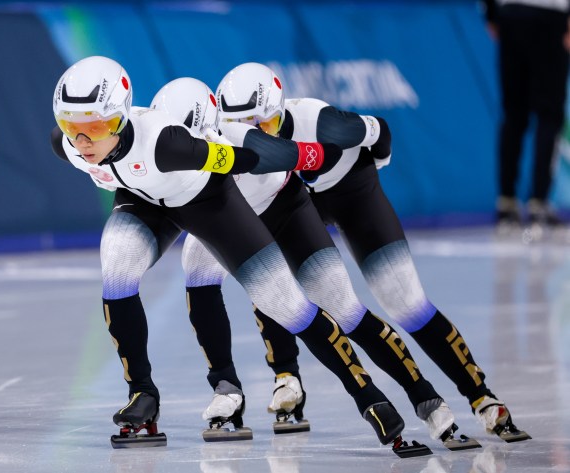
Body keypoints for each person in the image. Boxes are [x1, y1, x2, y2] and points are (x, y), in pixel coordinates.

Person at [50, 55, 429, 456]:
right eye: (71, 128)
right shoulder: (67, 146)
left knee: (289, 306)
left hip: (206, 201)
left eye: (96, 127)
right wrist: (82, 133)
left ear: (122, 117)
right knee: (117, 264)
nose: (83, 141)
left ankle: (368, 396)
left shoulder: (170, 144)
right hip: (143, 201)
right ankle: (142, 393)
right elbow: (84, 143)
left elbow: (245, 157)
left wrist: (310, 156)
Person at [208, 62, 529, 443]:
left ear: (282, 110)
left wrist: (376, 159)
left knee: (406, 303)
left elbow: (379, 130)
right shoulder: (233, 141)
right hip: (295, 201)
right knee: (272, 277)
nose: (259, 137)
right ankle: (286, 376)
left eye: (268, 126)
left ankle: (481, 396)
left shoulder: (319, 120)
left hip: (351, 196)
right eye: (246, 126)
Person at [151, 77, 477, 451]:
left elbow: (319, 156)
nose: (183, 158)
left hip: (286, 212)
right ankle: (229, 386)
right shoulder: (149, 147)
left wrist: (339, 152)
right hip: (230, 218)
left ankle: (423, 395)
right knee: (200, 268)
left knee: (344, 310)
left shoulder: (244, 142)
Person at [482, 0, 570, 228]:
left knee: (514, 114)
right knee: (549, 115)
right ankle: (538, 202)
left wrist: (492, 14)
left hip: (511, 14)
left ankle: (506, 203)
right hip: (549, 16)